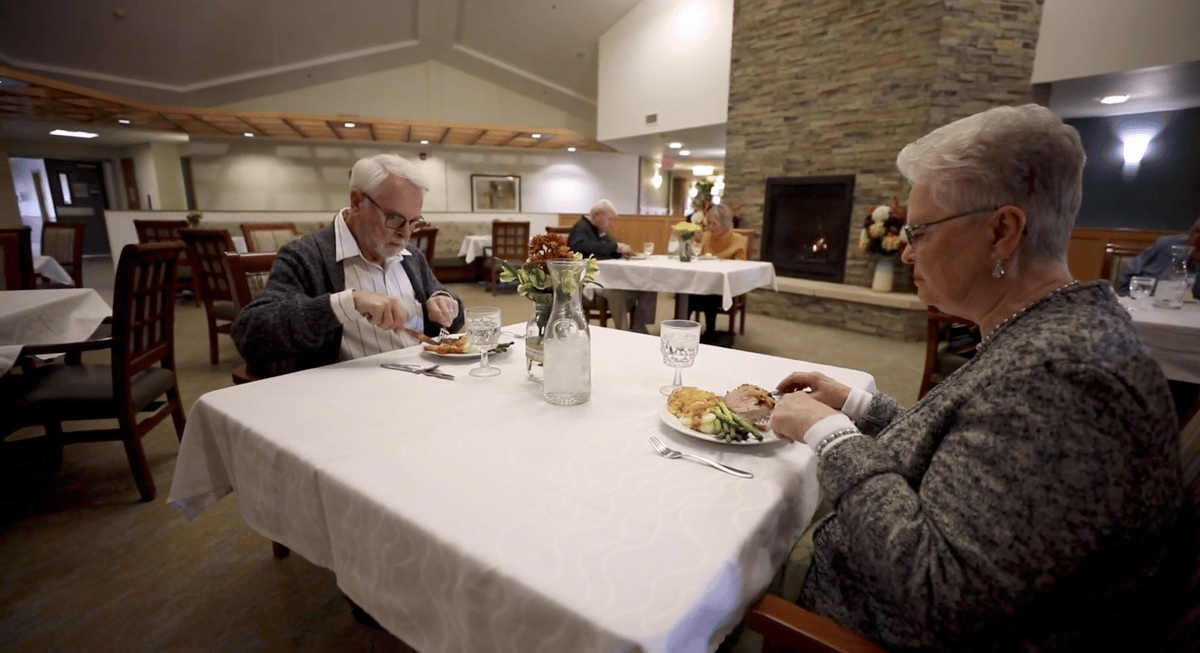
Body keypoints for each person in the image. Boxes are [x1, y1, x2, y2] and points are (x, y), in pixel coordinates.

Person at [768, 105, 1184, 651]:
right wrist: (857, 407)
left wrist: (830, 437)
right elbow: (965, 449)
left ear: (1002, 232)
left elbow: (941, 590)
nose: (907, 250)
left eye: (920, 231)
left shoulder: (1066, 382)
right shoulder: (1050, 331)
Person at [232, 154, 464, 373]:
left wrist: (444, 304)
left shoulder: (410, 257)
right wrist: (346, 303)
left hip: (421, 378)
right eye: (394, 218)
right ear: (356, 201)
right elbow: (251, 336)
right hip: (347, 397)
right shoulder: (306, 256)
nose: (406, 234)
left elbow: (447, 313)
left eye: (414, 221)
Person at [568, 199, 656, 333]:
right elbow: (579, 247)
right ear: (597, 215)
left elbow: (606, 250)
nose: (611, 224)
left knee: (648, 284)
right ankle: (623, 332)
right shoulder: (581, 228)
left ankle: (639, 324)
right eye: (610, 220)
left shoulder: (599, 229)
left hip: (607, 276)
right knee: (617, 293)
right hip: (588, 281)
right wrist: (616, 247)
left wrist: (620, 252)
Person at [688, 203, 746, 346]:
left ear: (725, 223)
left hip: (725, 283)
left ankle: (710, 330)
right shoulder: (706, 236)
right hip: (704, 280)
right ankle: (683, 324)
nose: (710, 227)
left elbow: (741, 263)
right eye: (709, 224)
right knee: (688, 288)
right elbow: (696, 256)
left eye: (714, 224)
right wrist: (693, 240)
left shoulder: (736, 238)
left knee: (710, 291)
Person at [1116, 215, 1200, 298]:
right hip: (1141, 303)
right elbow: (1130, 273)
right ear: (1190, 232)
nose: (1198, 238)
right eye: (1197, 231)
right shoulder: (1166, 245)